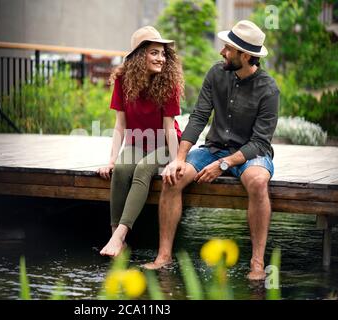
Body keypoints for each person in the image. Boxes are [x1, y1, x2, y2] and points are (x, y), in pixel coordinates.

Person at [143, 20, 279, 281]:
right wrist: (179, 158)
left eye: (228, 48)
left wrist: (225, 165)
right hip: (213, 148)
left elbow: (261, 142)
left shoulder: (269, 90)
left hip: (250, 154)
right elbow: (198, 117)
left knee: (258, 181)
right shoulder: (216, 74)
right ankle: (164, 256)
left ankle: (257, 263)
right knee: (173, 177)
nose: (222, 53)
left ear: (246, 55)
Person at [97, 26, 184, 257]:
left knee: (144, 169)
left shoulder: (168, 82)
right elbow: (120, 125)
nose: (161, 58)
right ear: (138, 55)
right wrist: (111, 160)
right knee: (122, 170)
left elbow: (169, 127)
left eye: (163, 53)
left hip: (165, 143)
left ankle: (118, 237)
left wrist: (175, 161)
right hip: (137, 142)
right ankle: (118, 238)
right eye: (154, 52)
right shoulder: (123, 80)